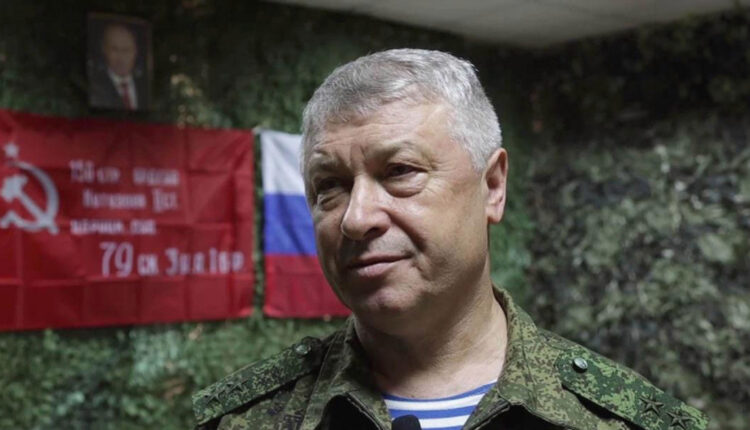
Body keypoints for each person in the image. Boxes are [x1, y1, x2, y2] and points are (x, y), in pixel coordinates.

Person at [192, 49, 708, 430]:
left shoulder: (625, 421)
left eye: (400, 171)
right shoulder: (240, 421)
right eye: (330, 186)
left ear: (492, 187)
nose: (356, 218)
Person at [88, 23, 147, 110]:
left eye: (126, 50)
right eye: (114, 50)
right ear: (104, 50)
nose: (121, 58)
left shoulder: (145, 86)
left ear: (136, 51)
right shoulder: (93, 86)